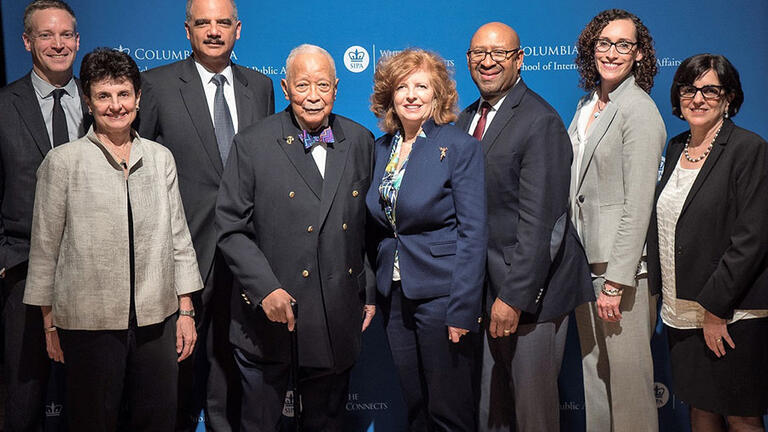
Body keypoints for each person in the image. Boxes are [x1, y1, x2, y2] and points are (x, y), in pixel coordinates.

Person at [23, 48, 202, 431]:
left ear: (138, 97)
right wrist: (49, 324)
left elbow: (179, 238)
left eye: (123, 94)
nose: (116, 106)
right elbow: (44, 250)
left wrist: (185, 311)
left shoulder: (160, 158)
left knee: (157, 421)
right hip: (88, 325)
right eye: (104, 96)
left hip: (157, 320)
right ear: (87, 102)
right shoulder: (63, 162)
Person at [216, 44, 375, 431]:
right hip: (268, 318)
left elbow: (367, 229)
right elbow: (231, 227)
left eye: (323, 84)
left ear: (337, 88)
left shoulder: (360, 140)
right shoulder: (252, 144)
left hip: (335, 316)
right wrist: (265, 289)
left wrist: (366, 291)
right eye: (303, 85)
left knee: (327, 422)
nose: (313, 95)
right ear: (285, 88)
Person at [137, 0, 274, 429]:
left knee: (238, 361)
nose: (213, 31)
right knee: (177, 363)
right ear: (187, 30)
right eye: (203, 23)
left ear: (238, 30)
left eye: (223, 23)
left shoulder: (262, 86)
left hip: (248, 247)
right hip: (184, 249)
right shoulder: (155, 85)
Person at [455, 23, 593, 432]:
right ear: (468, 60)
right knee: (493, 411)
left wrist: (513, 298)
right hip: (483, 290)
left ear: (519, 59)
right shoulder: (467, 117)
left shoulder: (539, 120)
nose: (487, 61)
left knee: (533, 416)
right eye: (479, 52)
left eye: (499, 53)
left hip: (531, 295)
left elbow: (543, 222)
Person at [366, 48, 487, 431]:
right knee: (415, 404)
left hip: (443, 295)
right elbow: (377, 228)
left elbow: (473, 232)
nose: (412, 95)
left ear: (438, 94)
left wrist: (463, 308)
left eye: (422, 86)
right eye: (402, 86)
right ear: (390, 96)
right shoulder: (380, 149)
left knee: (448, 410)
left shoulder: (458, 147)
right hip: (396, 296)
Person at [647, 54, 768, 432]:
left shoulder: (749, 149)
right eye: (689, 89)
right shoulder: (675, 146)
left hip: (731, 314)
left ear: (728, 98)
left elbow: (751, 240)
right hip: (681, 311)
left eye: (710, 90)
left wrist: (716, 310)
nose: (697, 99)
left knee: (741, 416)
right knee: (700, 409)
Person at [568, 9, 666, 432]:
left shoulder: (639, 111)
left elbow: (639, 204)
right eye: (604, 43)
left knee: (629, 393)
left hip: (620, 274)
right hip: (582, 264)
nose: (612, 52)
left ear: (639, 54)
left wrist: (616, 281)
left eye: (623, 44)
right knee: (596, 382)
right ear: (592, 49)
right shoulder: (588, 104)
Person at [0, 1, 89, 429]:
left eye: (66, 35)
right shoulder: (3, 106)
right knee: (23, 400)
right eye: (46, 35)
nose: (58, 44)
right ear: (27, 42)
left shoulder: (104, 106)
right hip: (22, 273)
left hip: (93, 275)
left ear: (78, 39)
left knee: (93, 400)